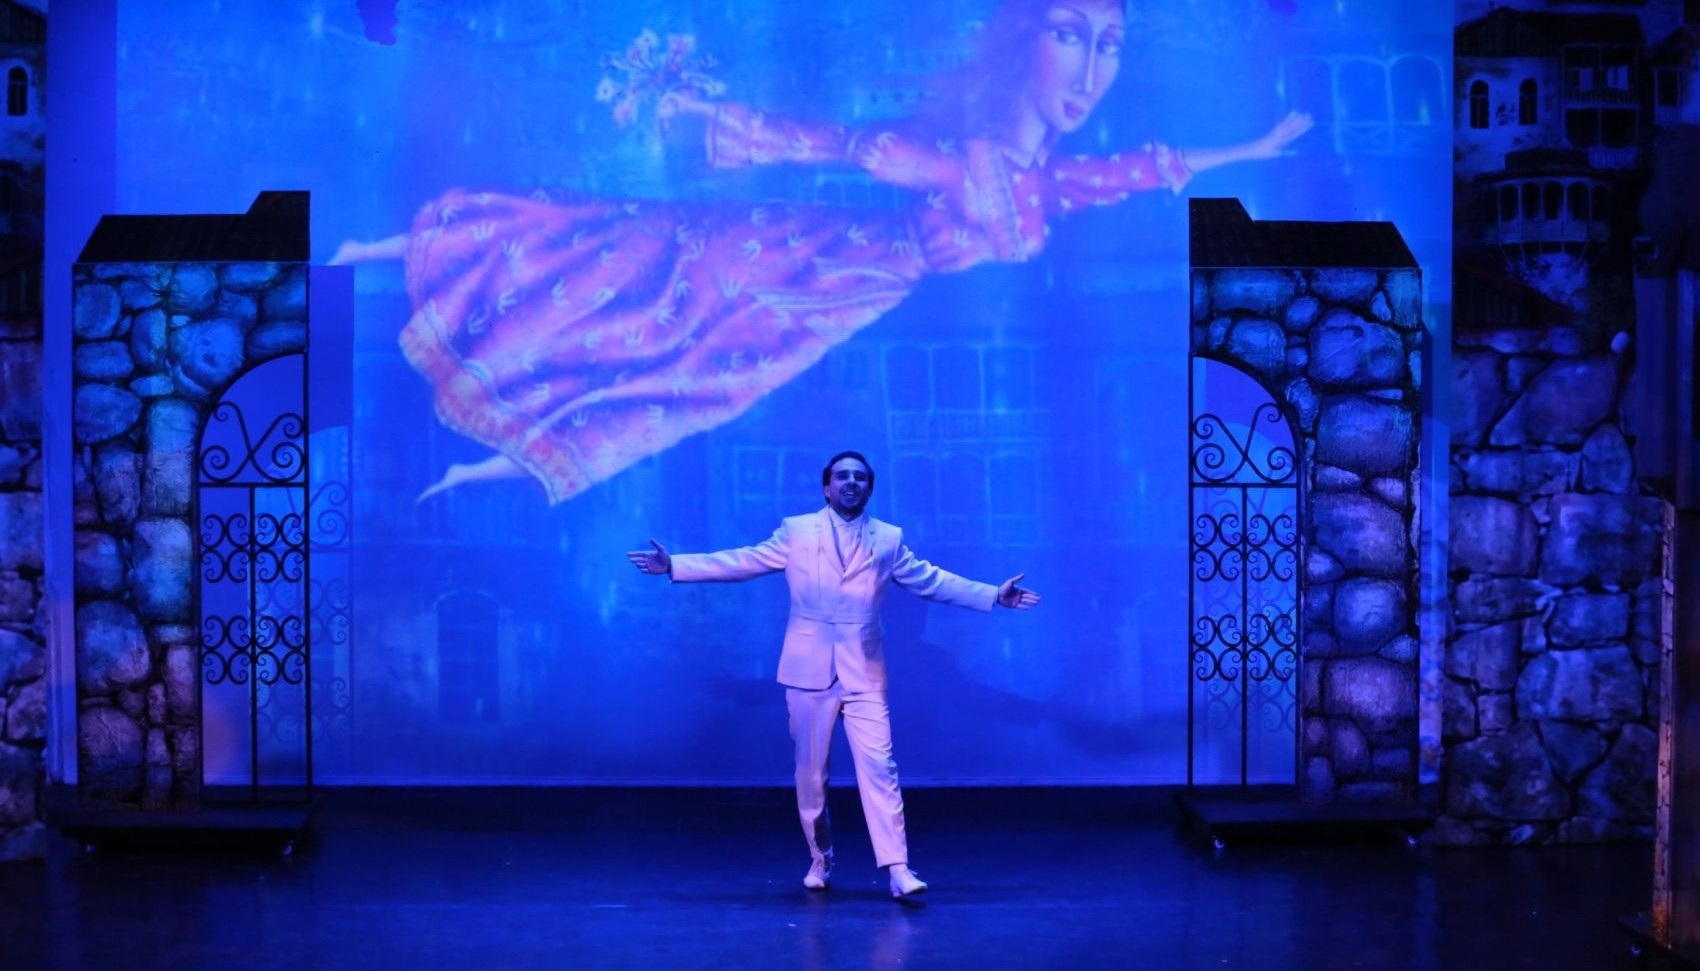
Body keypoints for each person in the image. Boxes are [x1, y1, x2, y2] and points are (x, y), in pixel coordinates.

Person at [333, 0, 1312, 503]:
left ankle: (491, 465)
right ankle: (389, 252)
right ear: (1028, 41)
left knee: (683, 386)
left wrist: (1252, 148)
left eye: (1109, 45)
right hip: (808, 259)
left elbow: (1141, 168)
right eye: (1071, 35)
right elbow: (847, 147)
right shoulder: (967, 161)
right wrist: (723, 120)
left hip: (845, 297)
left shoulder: (1040, 177)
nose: (1092, 70)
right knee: (636, 279)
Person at [625, 451, 1041, 898]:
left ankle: (898, 868)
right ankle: (820, 857)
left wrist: (992, 595)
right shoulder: (798, 531)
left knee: (880, 767)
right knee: (811, 775)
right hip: (808, 669)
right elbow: (744, 561)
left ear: (869, 488)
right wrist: (676, 565)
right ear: (827, 488)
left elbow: (931, 580)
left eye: (860, 477)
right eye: (842, 476)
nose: (851, 482)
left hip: (864, 670)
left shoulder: (888, 538)